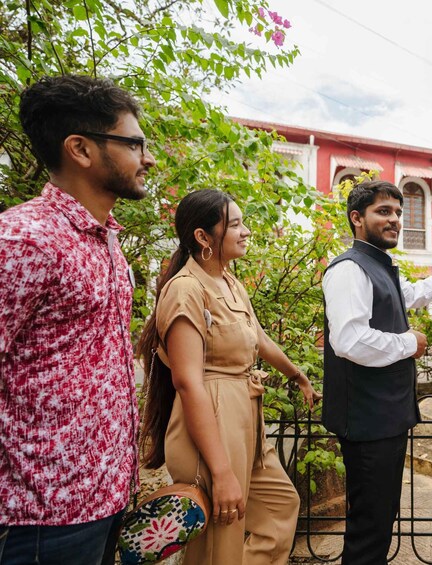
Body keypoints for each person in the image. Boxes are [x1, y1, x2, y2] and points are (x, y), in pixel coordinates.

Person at [0, 75, 154, 564]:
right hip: (42, 514)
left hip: (104, 497)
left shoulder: (104, 238)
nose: (147, 158)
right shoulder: (24, 239)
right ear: (81, 150)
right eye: (134, 143)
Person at [137, 189, 320, 565]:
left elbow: (260, 339)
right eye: (234, 224)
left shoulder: (230, 282)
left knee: (280, 508)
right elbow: (187, 381)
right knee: (220, 540)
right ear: (203, 237)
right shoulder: (186, 289)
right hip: (211, 418)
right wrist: (220, 472)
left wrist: (298, 374)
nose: (246, 231)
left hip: (245, 415)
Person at [322, 180, 432, 565]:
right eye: (384, 211)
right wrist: (409, 344)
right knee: (369, 528)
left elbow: (412, 295)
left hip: (384, 420)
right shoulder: (348, 270)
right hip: (366, 423)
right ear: (356, 219)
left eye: (398, 212)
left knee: (379, 521)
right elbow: (349, 340)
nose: (395, 219)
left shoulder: (382, 267)